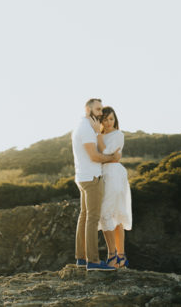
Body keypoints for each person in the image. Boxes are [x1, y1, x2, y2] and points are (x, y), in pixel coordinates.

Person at [71, 98, 121, 271]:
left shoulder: (84, 126)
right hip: (91, 177)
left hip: (83, 176)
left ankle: (81, 258)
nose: (101, 113)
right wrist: (111, 158)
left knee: (84, 216)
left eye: (101, 110)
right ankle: (92, 261)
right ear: (88, 109)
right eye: (98, 109)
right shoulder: (86, 128)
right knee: (92, 218)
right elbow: (94, 156)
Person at [96, 106, 132, 268]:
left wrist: (98, 139)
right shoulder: (99, 135)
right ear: (100, 120)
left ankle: (114, 256)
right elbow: (106, 157)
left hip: (114, 175)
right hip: (104, 175)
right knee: (110, 214)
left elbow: (108, 154)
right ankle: (120, 257)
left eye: (111, 119)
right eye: (105, 119)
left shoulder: (118, 135)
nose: (108, 122)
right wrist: (106, 157)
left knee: (110, 214)